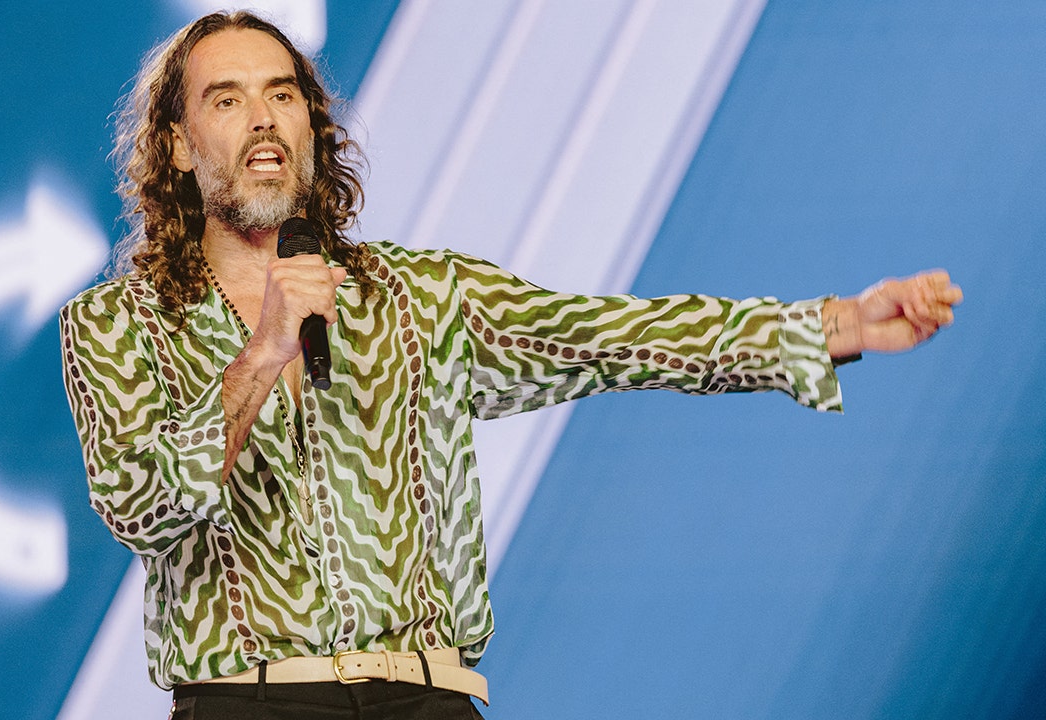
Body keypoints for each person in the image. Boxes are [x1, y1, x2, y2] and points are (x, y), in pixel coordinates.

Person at [58, 11, 962, 720]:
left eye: (282, 94)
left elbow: (608, 337)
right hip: (249, 704)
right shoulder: (113, 324)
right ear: (177, 146)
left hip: (426, 695)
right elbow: (139, 505)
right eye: (226, 100)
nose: (263, 118)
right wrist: (262, 354)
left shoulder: (420, 296)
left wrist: (830, 324)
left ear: (311, 122)